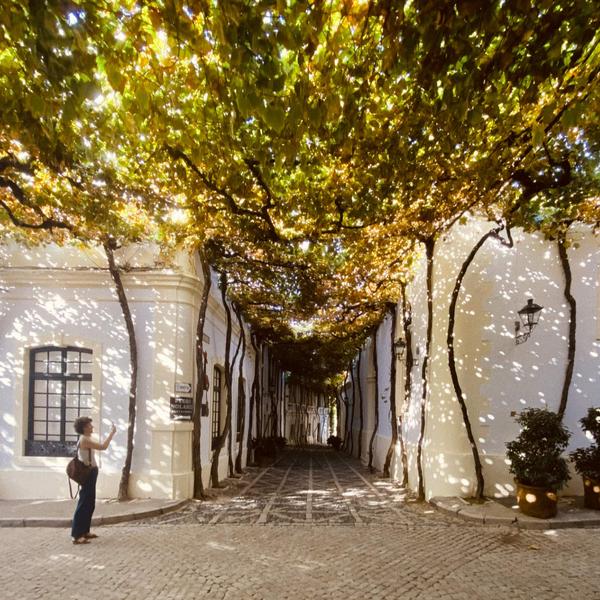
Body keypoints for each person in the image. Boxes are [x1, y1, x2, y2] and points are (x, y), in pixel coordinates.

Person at [70, 416, 116, 545]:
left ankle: (85, 531)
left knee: (89, 503)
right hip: (88, 473)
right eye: (90, 425)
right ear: (84, 427)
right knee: (84, 503)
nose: (92, 427)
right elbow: (103, 446)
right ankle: (76, 535)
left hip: (91, 472)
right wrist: (112, 433)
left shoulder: (86, 438)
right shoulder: (84, 439)